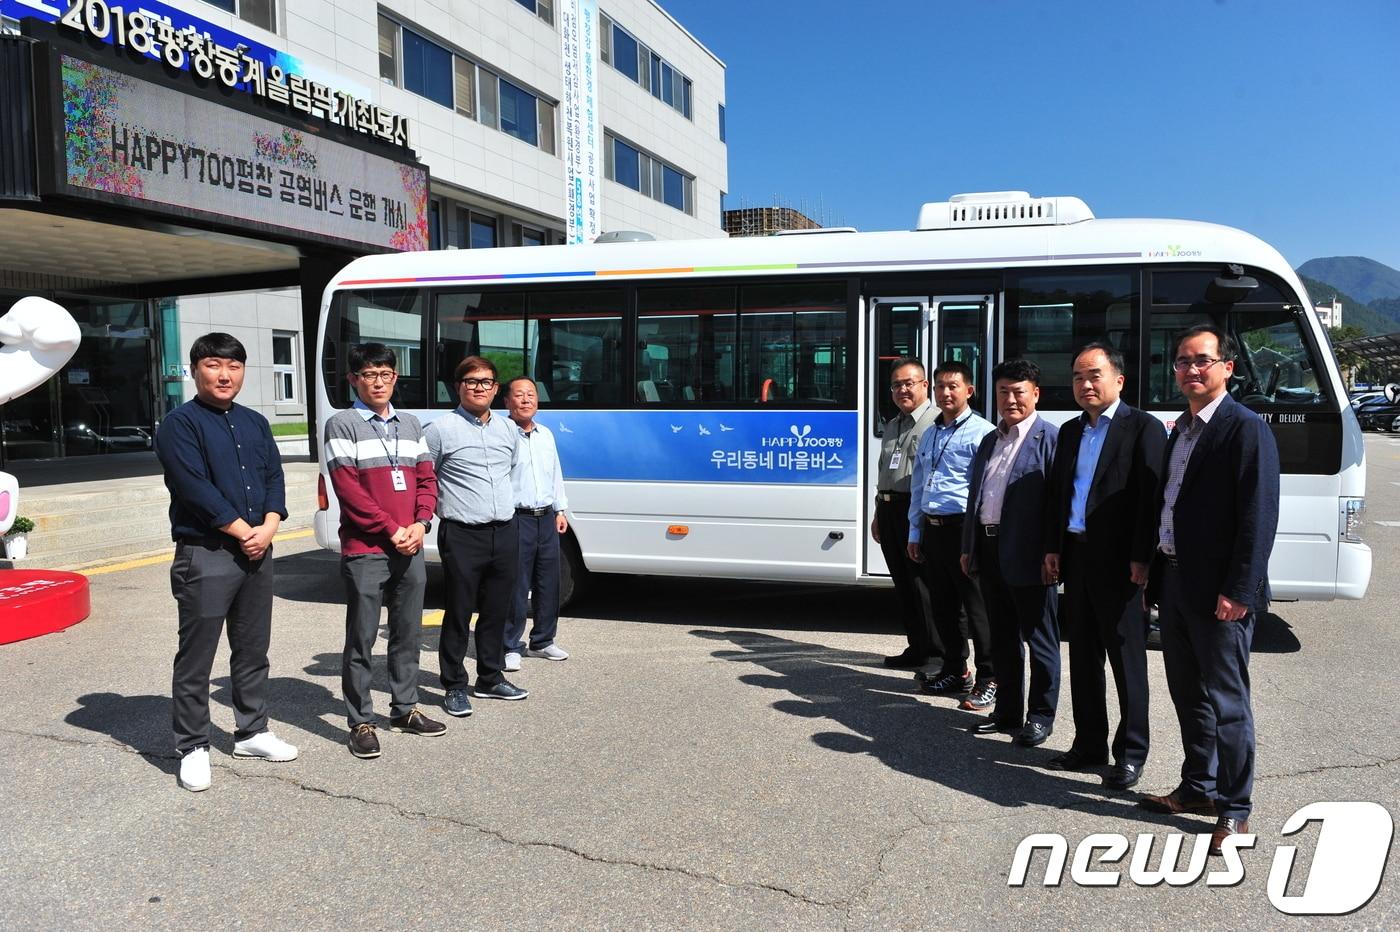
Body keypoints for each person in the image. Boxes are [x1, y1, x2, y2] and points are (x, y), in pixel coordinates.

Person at [1139, 324, 1279, 855]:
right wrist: (1155, 577)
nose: (1191, 369)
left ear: (1227, 368)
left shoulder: (1245, 429)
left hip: (1221, 592)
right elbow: (1168, 509)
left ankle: (1235, 809)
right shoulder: (1182, 429)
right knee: (1188, 694)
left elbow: (1258, 517)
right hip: (1175, 583)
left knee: (1228, 702)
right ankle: (1199, 786)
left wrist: (1240, 589)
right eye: (1182, 362)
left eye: (1202, 360)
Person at [155, 332, 297, 792]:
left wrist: (270, 526)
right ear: (195, 369)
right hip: (208, 553)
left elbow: (274, 476)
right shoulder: (179, 425)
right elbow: (193, 487)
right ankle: (193, 746)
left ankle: (252, 731)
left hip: (259, 548)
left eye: (234, 366)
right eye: (214, 364)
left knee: (253, 648)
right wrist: (243, 532)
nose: (224, 374)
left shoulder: (255, 423)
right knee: (197, 656)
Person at [1043, 343, 1165, 789]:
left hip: (1121, 564)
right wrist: (1053, 547)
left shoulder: (1144, 428)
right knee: (1084, 657)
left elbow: (1151, 501)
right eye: (1077, 376)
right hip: (1076, 557)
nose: (1085, 384)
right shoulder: (1071, 431)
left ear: (1119, 380)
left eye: (1094, 375)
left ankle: (1130, 754)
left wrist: (1142, 557)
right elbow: (1061, 495)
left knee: (1127, 661)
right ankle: (1089, 743)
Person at [325, 343, 446, 759]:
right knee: (361, 638)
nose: (379, 381)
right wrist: (392, 529)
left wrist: (420, 523)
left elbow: (428, 481)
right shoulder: (341, 425)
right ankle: (360, 720)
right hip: (366, 548)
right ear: (354, 380)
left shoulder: (411, 424)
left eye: (386, 374)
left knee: (407, 632)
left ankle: (405, 708)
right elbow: (349, 491)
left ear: (396, 377)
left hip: (410, 545)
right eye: (369, 374)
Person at [962, 358, 1060, 747]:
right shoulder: (991, 439)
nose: (1011, 399)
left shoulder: (1049, 438)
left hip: (1030, 553)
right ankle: (1007, 711)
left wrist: (1052, 551)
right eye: (1003, 391)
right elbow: (976, 497)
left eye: (1019, 391)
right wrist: (969, 547)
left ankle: (1039, 716)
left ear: (1035, 394)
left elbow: (1057, 503)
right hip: (988, 547)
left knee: (1040, 638)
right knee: (1001, 636)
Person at [425, 355, 528, 716]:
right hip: (463, 533)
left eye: (486, 382)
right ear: (459, 387)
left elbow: (510, 473)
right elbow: (426, 477)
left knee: (497, 610)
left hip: (505, 530)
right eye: (472, 381)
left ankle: (489, 677)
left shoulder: (508, 431)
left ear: (496, 388)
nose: (479, 387)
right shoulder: (439, 430)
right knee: (458, 611)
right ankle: (453, 684)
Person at [906, 361, 997, 707]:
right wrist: (915, 531)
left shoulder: (982, 433)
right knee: (943, 606)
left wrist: (975, 540)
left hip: (964, 529)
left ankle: (990, 676)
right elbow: (918, 486)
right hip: (933, 528)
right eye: (940, 386)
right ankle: (956, 670)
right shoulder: (931, 433)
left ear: (968, 391)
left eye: (953, 386)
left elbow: (985, 491)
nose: (945, 393)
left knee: (977, 608)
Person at [870, 358, 939, 669]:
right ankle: (917, 647)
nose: (902, 390)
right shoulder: (894, 423)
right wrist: (877, 512)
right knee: (903, 585)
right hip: (888, 509)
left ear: (925, 385)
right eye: (896, 385)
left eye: (909, 383)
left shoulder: (935, 422)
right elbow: (885, 470)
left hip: (915, 511)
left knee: (924, 587)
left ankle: (937, 655)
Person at [503, 376, 571, 671]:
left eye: (531, 394)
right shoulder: (502, 434)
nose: (526, 399)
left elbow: (554, 473)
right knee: (516, 585)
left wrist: (561, 509)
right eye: (519, 395)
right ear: (506, 401)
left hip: (546, 516)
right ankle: (510, 645)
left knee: (549, 582)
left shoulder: (545, 434)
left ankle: (543, 641)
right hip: (516, 517)